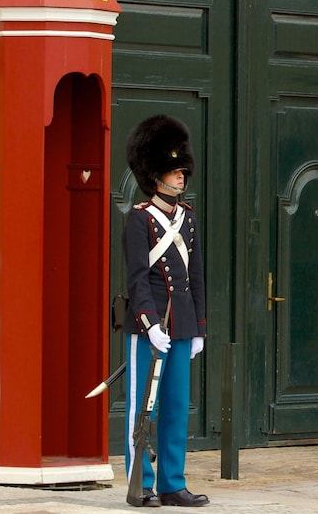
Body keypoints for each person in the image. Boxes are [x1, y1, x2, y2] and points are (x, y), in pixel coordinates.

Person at [122, 115, 209, 506]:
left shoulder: (188, 219)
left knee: (175, 408)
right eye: (174, 172)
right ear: (155, 175)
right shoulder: (139, 219)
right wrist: (149, 323)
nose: (180, 177)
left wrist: (199, 329)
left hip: (182, 326)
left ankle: (173, 482)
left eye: (182, 171)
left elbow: (197, 277)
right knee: (143, 410)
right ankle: (140, 483)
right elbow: (138, 277)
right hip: (151, 326)